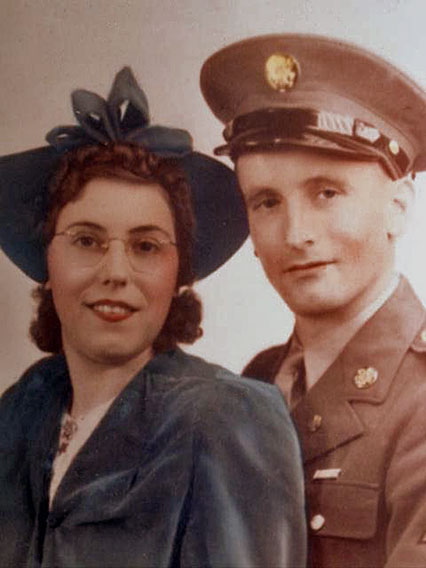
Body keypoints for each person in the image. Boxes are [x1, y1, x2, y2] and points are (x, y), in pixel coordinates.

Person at [0, 67, 307, 567]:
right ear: (46, 262)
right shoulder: (23, 408)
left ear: (178, 274)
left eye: (146, 246)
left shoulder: (225, 419)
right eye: (86, 240)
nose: (115, 272)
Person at [201, 34, 426, 567]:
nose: (295, 233)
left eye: (326, 193)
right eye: (267, 202)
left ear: (398, 207)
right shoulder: (257, 383)